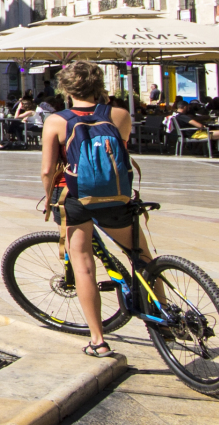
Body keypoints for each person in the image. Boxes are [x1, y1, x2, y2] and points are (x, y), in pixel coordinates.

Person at [39, 60, 147, 358]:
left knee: (84, 265)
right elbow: (117, 154)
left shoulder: (57, 121)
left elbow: (48, 170)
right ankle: (164, 318)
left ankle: (98, 340)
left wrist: (48, 196)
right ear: (100, 86)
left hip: (75, 198)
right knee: (142, 256)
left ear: (64, 88)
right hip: (116, 196)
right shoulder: (120, 115)